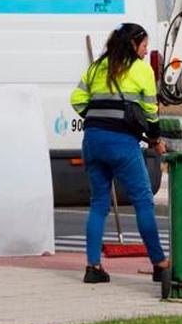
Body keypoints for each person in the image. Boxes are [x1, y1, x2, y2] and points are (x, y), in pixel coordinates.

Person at [70, 23, 169, 285]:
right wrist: (155, 140)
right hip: (122, 144)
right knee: (143, 202)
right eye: (144, 45)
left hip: (92, 140)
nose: (146, 51)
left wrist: (97, 117)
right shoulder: (141, 70)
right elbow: (151, 111)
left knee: (98, 203)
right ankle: (160, 263)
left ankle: (93, 267)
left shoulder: (96, 68)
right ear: (133, 45)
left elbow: (77, 100)